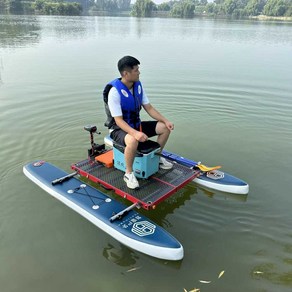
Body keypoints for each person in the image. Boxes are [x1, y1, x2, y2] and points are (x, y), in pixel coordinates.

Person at [103, 56, 174, 189]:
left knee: (165, 128)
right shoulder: (114, 92)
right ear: (126, 73)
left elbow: (149, 108)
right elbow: (118, 120)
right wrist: (135, 133)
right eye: (136, 70)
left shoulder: (138, 86)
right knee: (132, 140)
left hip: (136, 125)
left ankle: (156, 157)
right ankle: (128, 173)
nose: (139, 72)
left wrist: (165, 120)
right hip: (118, 129)